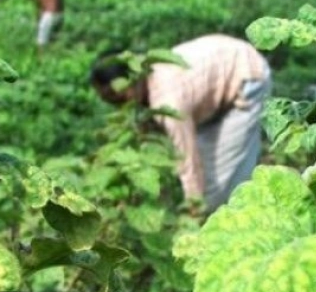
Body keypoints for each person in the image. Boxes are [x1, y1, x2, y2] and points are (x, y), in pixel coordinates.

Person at [89, 34, 273, 215]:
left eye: (116, 96)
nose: (115, 104)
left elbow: (187, 159)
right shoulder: (148, 74)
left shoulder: (168, 102)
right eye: (106, 99)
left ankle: (238, 221)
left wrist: (193, 210)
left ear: (132, 80)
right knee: (208, 165)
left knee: (219, 185)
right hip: (217, 76)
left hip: (246, 76)